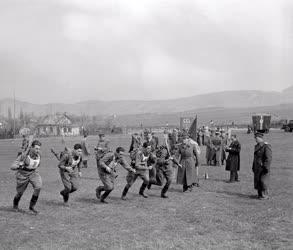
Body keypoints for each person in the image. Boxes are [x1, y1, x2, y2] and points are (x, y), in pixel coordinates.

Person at [12, 140, 42, 214]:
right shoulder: (23, 156)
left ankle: (31, 207)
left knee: (38, 187)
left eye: (39, 149)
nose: (38, 150)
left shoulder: (39, 155)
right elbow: (12, 166)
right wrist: (20, 166)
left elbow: (37, 164)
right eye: (36, 148)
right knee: (20, 193)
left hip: (33, 173)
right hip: (22, 175)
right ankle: (15, 205)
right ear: (31, 148)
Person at [252, 132, 272, 199]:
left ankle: (265, 195)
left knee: (263, 181)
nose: (255, 139)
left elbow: (268, 158)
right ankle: (260, 194)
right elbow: (255, 157)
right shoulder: (257, 146)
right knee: (258, 180)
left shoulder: (266, 146)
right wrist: (253, 166)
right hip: (257, 167)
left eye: (256, 138)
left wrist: (265, 167)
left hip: (263, 167)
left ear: (260, 138)